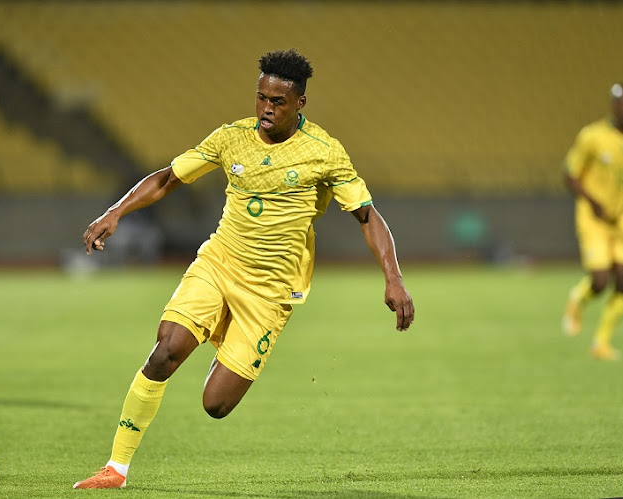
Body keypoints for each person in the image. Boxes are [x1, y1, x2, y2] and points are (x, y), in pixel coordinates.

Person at [73, 49, 415, 489]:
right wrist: (116, 212)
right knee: (165, 351)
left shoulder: (324, 153)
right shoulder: (231, 138)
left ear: (300, 104)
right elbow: (167, 178)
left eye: (278, 101)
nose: (266, 109)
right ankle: (115, 469)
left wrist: (394, 278)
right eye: (260, 98)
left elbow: (368, 216)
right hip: (219, 263)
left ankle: (230, 334)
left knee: (215, 404)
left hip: (270, 292)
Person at [562, 82, 623, 360]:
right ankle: (579, 298)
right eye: (620, 103)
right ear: (612, 105)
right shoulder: (593, 137)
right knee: (600, 280)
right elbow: (570, 174)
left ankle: (601, 343)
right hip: (594, 217)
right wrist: (593, 202)